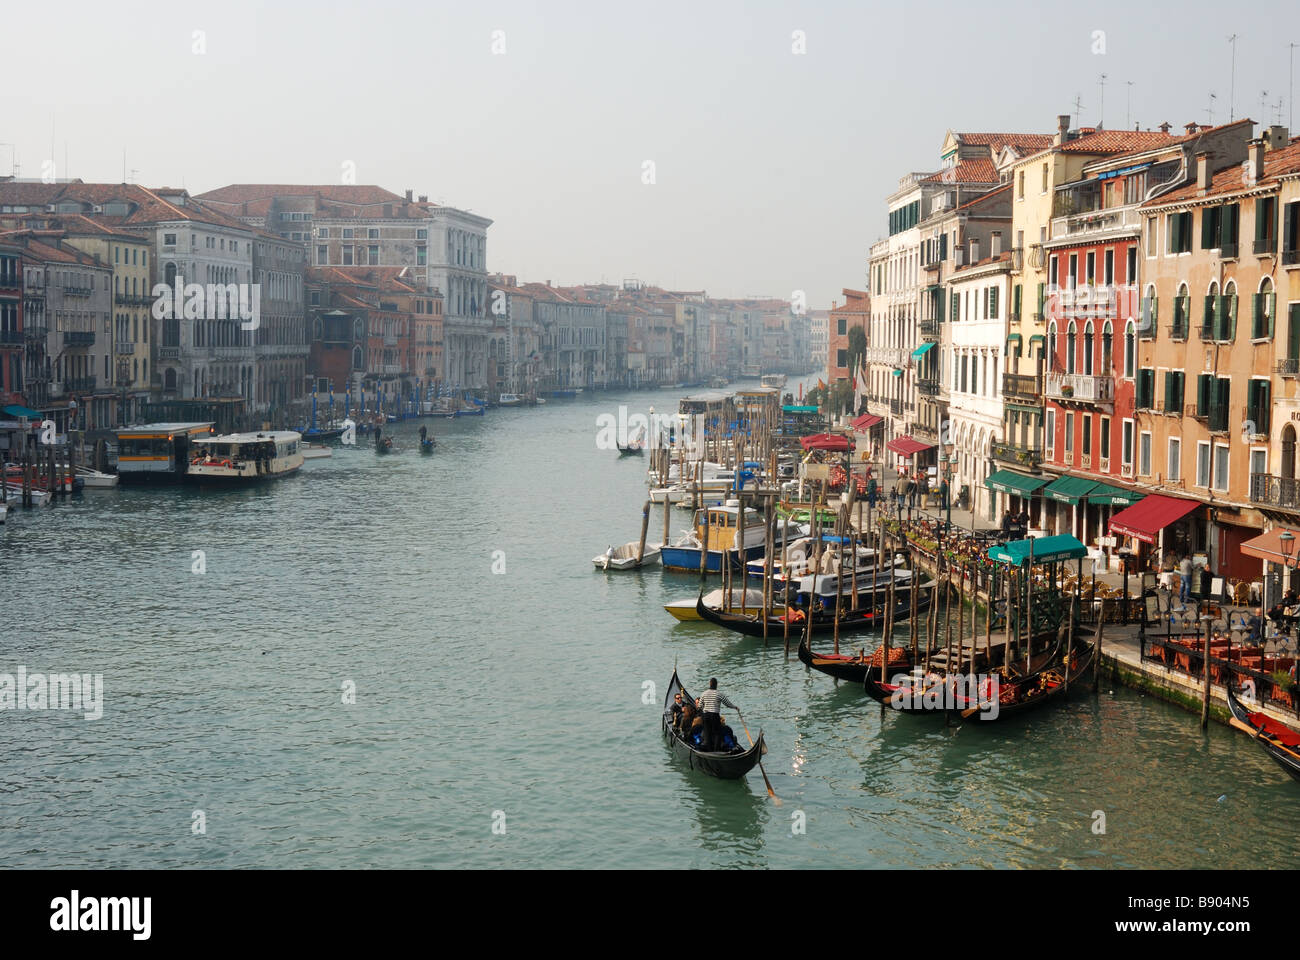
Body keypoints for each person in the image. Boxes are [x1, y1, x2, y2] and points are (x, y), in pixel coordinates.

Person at [695, 678, 738, 752]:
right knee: (717, 733)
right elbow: (727, 704)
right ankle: (716, 750)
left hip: (706, 716)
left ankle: (709, 750)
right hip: (714, 716)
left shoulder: (704, 693)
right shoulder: (719, 694)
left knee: (707, 733)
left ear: (710, 684)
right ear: (716, 685)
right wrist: (735, 707)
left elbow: (699, 706)